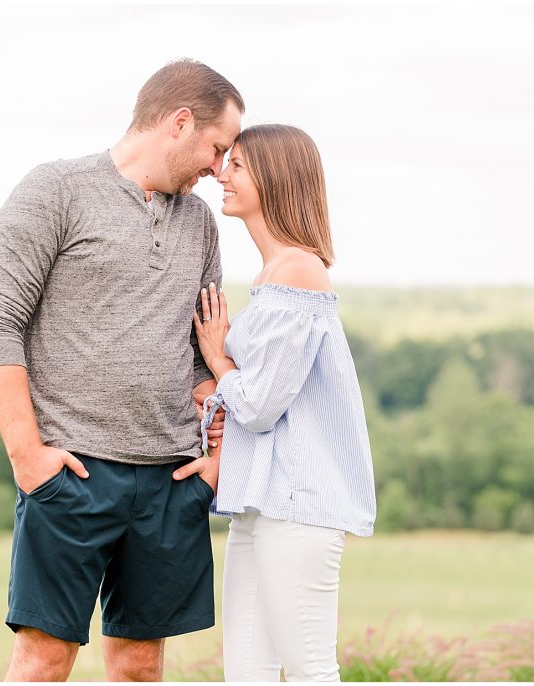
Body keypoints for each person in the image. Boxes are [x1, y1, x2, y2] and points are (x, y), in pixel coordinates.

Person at [0, 59, 242, 681]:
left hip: (171, 482)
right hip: (72, 473)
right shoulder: (54, 191)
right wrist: (26, 456)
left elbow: (203, 354)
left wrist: (223, 450)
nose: (219, 169)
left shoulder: (198, 223)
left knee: (141, 667)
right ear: (179, 122)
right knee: (43, 660)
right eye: (217, 147)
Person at [177, 124, 377, 682]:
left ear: (274, 176)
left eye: (236, 166)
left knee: (310, 670)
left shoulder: (299, 273)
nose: (221, 173)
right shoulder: (273, 276)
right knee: (247, 675)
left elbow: (261, 405)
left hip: (299, 503)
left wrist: (219, 362)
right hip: (259, 502)